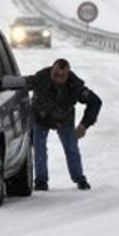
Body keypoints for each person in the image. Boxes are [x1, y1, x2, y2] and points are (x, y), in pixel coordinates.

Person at [24, 58, 102, 191]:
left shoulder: (75, 85)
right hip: (40, 117)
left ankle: (79, 178)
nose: (58, 78)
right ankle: (41, 181)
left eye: (62, 76)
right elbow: (21, 83)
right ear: (51, 71)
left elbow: (95, 102)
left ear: (68, 74)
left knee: (71, 148)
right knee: (39, 148)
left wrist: (84, 125)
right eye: (55, 74)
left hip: (64, 119)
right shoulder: (41, 78)